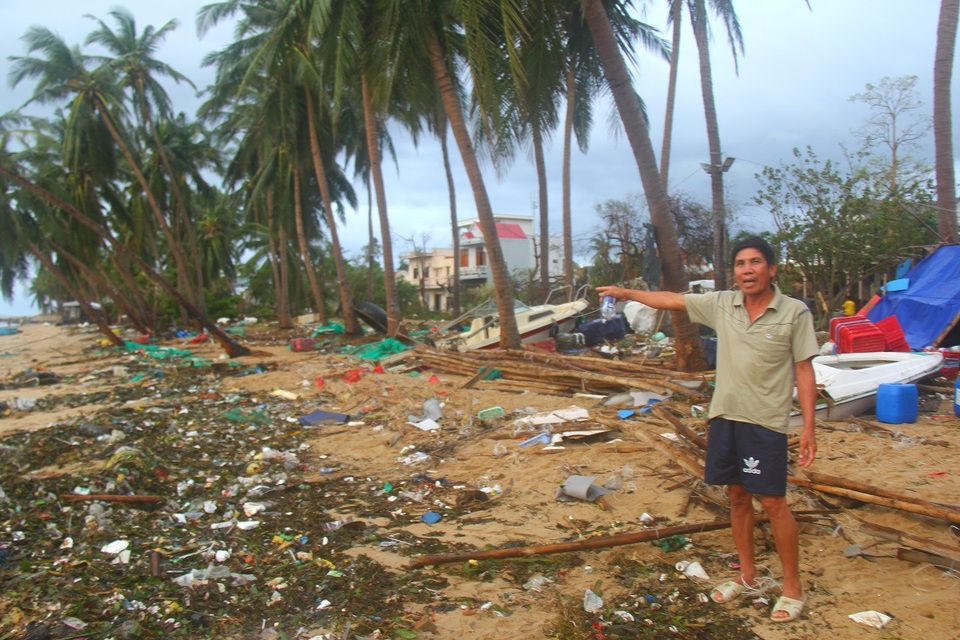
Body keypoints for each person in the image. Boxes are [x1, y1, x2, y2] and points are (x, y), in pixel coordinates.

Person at [597, 235, 818, 623]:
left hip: (765, 422)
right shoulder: (722, 305)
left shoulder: (795, 313)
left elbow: (804, 369)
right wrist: (624, 291)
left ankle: (792, 588)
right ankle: (747, 577)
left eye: (754, 263)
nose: (747, 271)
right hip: (725, 418)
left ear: (771, 268)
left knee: (772, 502)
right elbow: (670, 299)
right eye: (740, 264)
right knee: (735, 496)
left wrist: (811, 428)